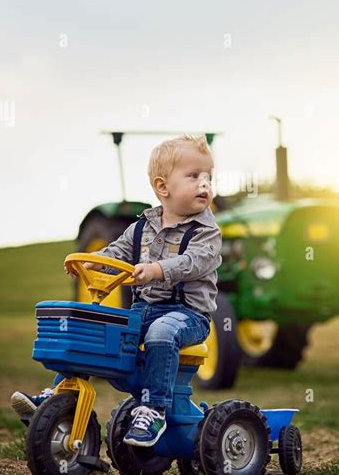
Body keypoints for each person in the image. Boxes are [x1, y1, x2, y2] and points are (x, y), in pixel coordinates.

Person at [11, 134, 222, 447]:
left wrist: (157, 270)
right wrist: (93, 262)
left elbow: (195, 262)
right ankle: (57, 395)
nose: (204, 184)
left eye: (208, 177)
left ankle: (154, 408)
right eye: (194, 176)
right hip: (142, 313)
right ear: (163, 187)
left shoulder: (207, 232)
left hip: (187, 316)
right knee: (95, 333)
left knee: (162, 331)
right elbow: (118, 250)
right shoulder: (141, 227)